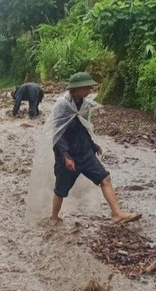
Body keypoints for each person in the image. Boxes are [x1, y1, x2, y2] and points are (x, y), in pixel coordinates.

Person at [46, 71, 139, 224]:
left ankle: (117, 214)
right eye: (87, 87)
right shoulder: (62, 105)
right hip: (68, 157)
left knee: (105, 178)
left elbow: (84, 128)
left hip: (85, 153)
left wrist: (93, 145)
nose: (90, 90)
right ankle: (54, 219)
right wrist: (66, 156)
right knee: (60, 191)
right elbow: (58, 133)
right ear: (76, 89)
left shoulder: (84, 105)